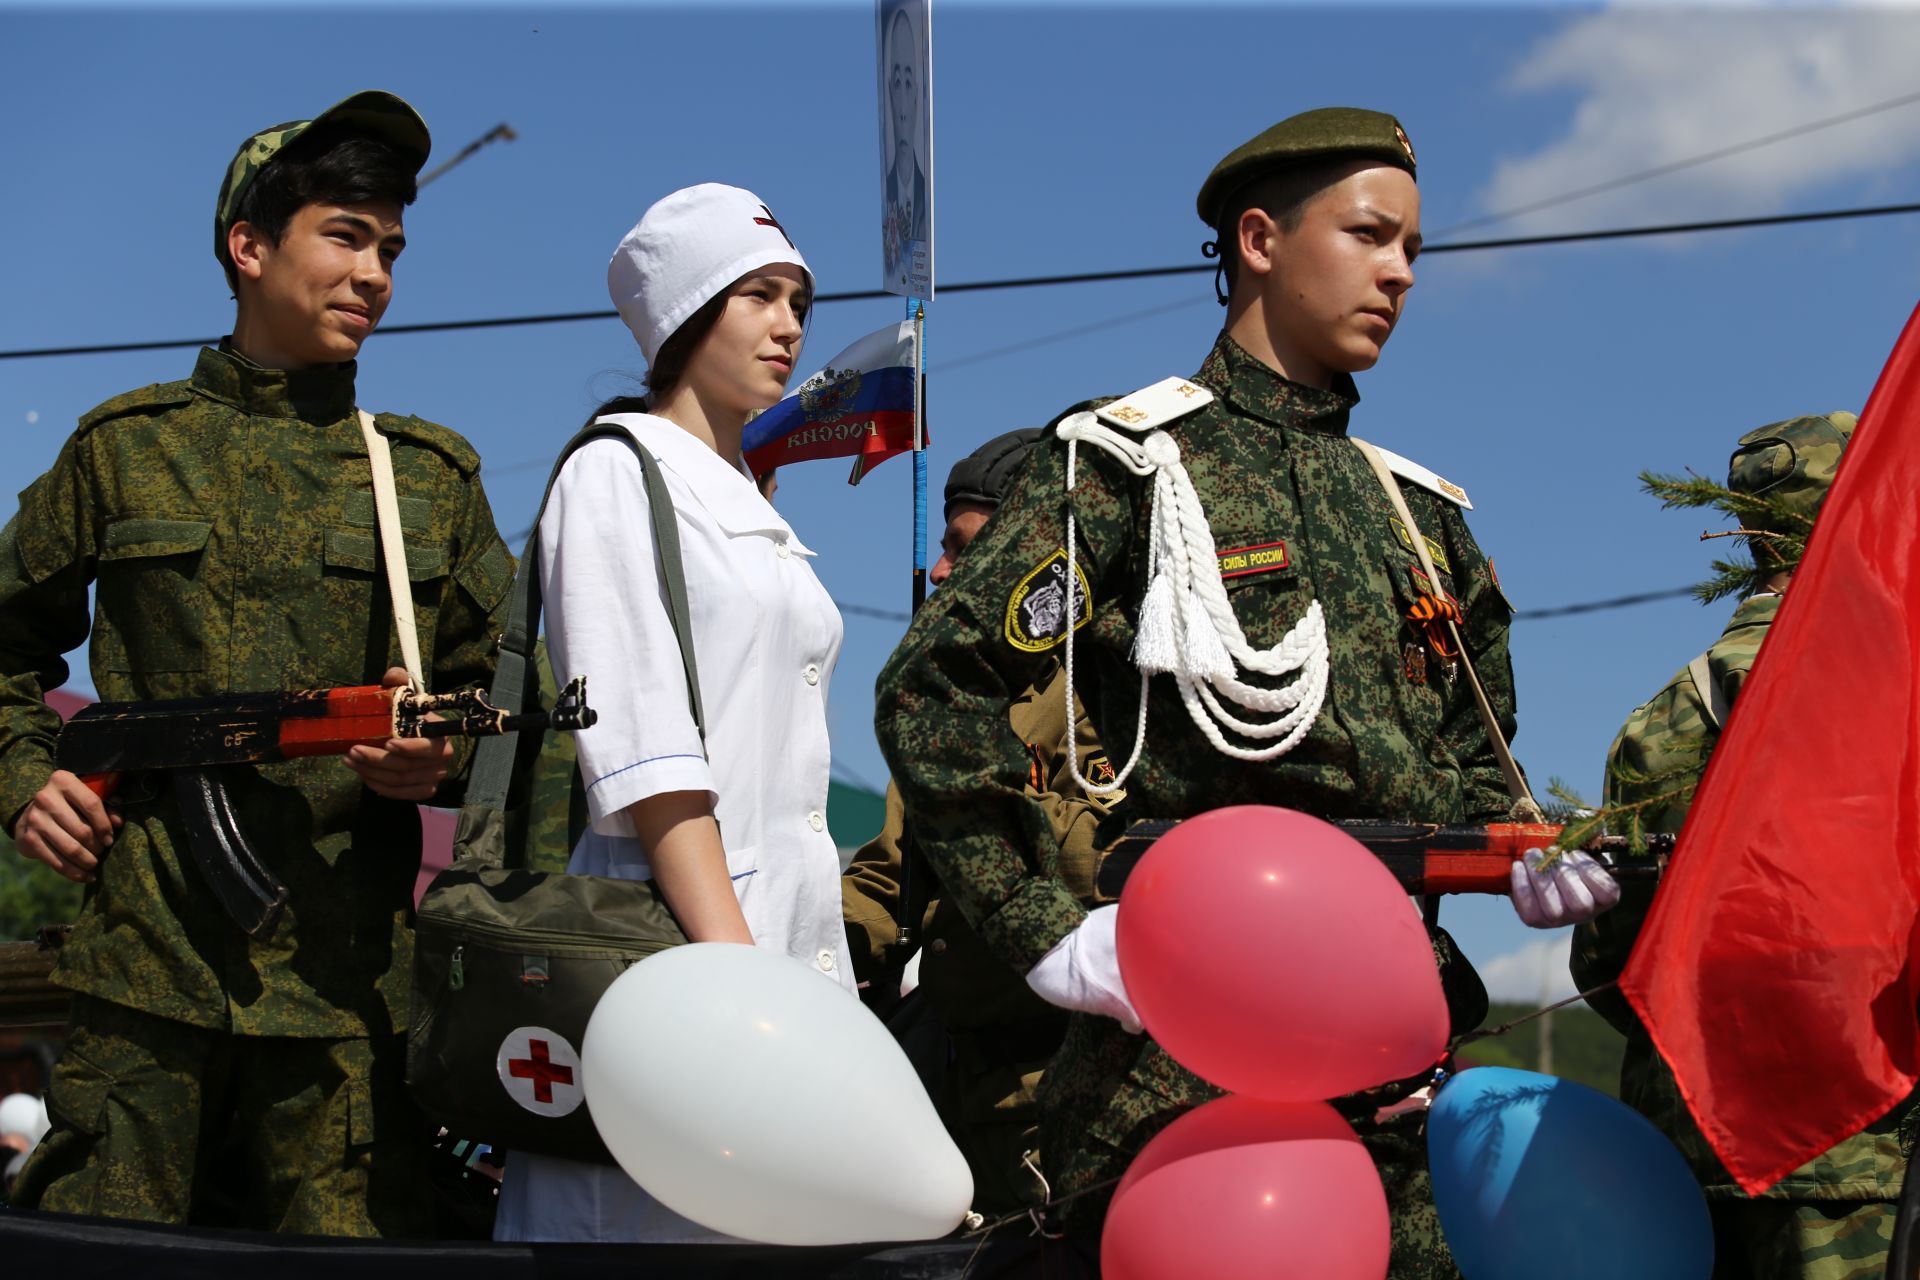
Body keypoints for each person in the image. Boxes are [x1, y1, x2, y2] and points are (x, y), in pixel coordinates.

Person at [874, 107, 1618, 1267]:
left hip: (1395, 1048)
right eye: (1372, 235)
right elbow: (933, 695)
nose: (1400, 273)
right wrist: (1043, 933)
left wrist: (1535, 856)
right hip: (1190, 1059)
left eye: (1415, 249)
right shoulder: (1126, 466)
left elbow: (1480, 761)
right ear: (1261, 240)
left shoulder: (1419, 518)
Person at [2, 91, 514, 1234]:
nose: (374, 272)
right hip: (142, 979)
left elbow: (515, 705)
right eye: (344, 234)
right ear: (249, 246)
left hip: (341, 1004)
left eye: (389, 247)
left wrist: (437, 755)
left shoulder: (427, 479)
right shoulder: (124, 450)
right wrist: (22, 778)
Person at [493, 183, 852, 1243]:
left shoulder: (745, 495)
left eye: (799, 300)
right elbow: (650, 762)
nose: (789, 325)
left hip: (772, 941)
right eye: (758, 295)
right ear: (687, 314)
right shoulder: (615, 474)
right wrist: (741, 983)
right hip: (680, 950)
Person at [1572, 412, 1914, 1280]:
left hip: (1696, 1152)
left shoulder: (1662, 720)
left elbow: (1612, 963)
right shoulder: (1896, 694)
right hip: (1866, 1152)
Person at [842, 428, 1120, 1215]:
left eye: (965, 550)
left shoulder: (1109, 690)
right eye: (943, 548)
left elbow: (1115, 864)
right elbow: (890, 875)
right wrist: (806, 951)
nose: (940, 572)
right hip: (957, 1085)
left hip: (1066, 1092)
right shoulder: (951, 703)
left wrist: (992, 813)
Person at [881, 0, 929, 283]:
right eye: (896, 83)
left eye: (908, 84)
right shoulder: (888, 195)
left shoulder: (925, 199)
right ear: (888, 91)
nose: (901, 109)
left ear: (917, 98)